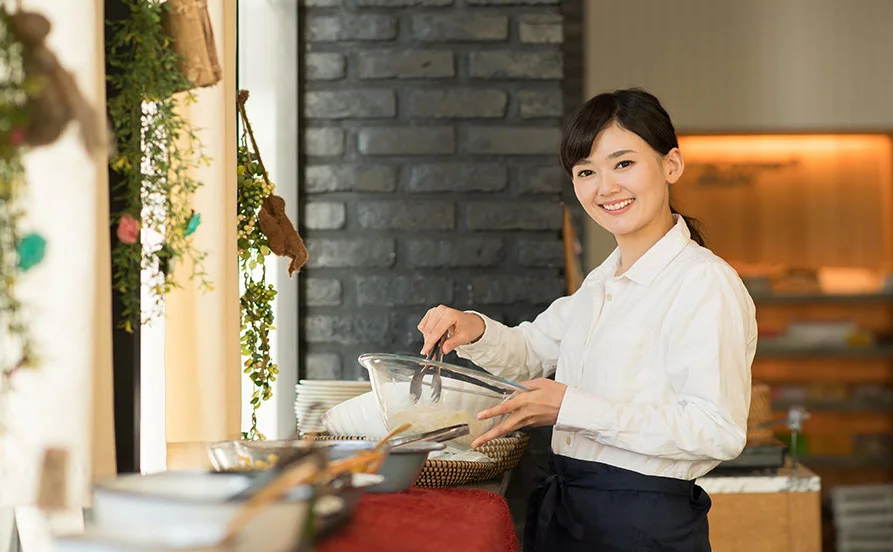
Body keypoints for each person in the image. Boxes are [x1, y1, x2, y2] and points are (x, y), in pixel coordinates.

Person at [417, 88, 757, 552]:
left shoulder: (704, 283)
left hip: (643, 527)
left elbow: (716, 430)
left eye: (623, 164)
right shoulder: (602, 282)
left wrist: (572, 408)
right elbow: (530, 354)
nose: (605, 188)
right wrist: (473, 328)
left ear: (671, 164)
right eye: (586, 172)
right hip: (575, 515)